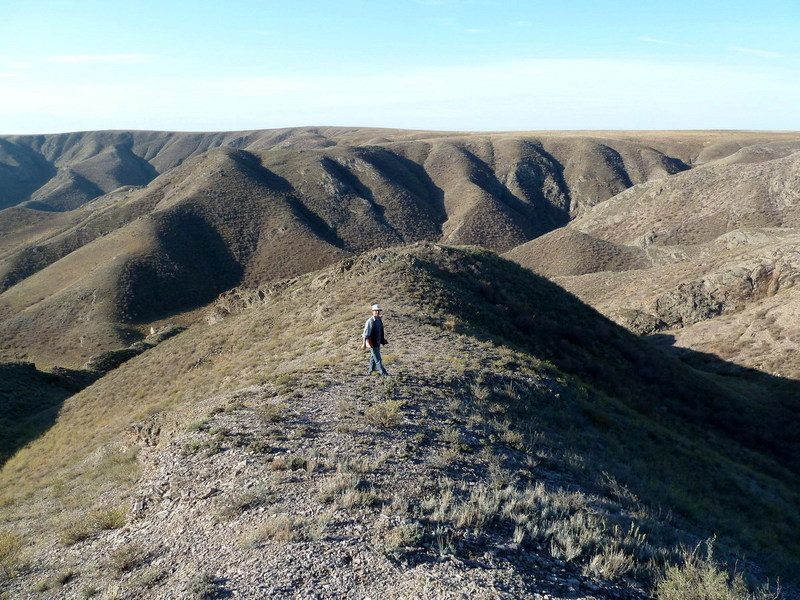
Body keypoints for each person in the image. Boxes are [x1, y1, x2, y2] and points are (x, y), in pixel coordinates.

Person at [361, 304, 390, 376]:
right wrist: (364, 344)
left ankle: (371, 371)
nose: (377, 312)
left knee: (373, 357)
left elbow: (380, 331)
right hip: (372, 342)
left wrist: (383, 339)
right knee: (378, 358)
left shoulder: (379, 319)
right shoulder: (370, 321)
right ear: (372, 311)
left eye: (378, 311)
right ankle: (383, 373)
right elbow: (365, 334)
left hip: (377, 341)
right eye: (376, 311)